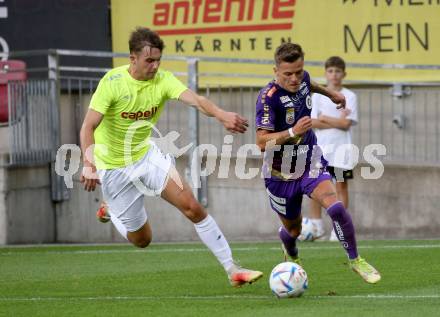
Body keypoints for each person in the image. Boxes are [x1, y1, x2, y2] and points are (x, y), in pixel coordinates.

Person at [79, 27, 263, 287]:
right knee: (142, 240)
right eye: (149, 61)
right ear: (133, 59)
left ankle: (233, 269)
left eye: (158, 61)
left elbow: (196, 100)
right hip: (114, 169)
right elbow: (88, 126)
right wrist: (89, 164)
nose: (155, 67)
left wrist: (222, 115)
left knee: (192, 206)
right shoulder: (112, 83)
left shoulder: (163, 80)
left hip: (147, 157)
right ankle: (111, 210)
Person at [255, 43, 380, 284]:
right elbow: (261, 142)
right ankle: (291, 253)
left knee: (335, 207)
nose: (294, 79)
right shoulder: (268, 99)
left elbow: (308, 84)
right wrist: (292, 130)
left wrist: (331, 94)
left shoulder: (303, 79)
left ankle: (356, 260)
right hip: (279, 174)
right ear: (275, 71)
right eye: (287, 74)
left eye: (298, 72)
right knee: (294, 231)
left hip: (310, 159)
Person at [309, 56, 358, 241]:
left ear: (344, 74)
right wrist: (333, 120)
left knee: (340, 186)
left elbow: (346, 124)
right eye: (330, 71)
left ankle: (339, 228)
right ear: (325, 73)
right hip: (321, 150)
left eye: (338, 71)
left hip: (341, 151)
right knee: (315, 188)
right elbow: (312, 121)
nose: (334, 75)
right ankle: (316, 226)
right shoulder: (318, 96)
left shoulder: (350, 96)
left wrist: (325, 118)